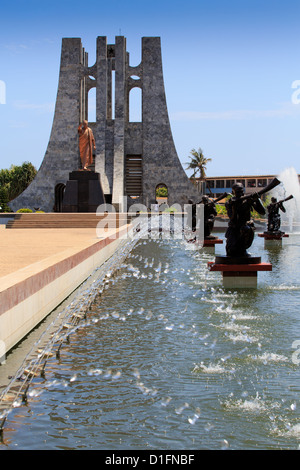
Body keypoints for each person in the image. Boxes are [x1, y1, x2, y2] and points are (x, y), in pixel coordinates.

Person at [225, 183, 265, 257]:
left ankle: (243, 249)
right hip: (234, 228)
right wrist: (234, 208)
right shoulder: (229, 203)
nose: (240, 194)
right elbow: (232, 218)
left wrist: (257, 200)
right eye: (237, 192)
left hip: (245, 228)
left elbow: (262, 212)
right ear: (233, 192)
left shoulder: (248, 200)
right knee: (231, 252)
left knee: (246, 229)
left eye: (241, 191)